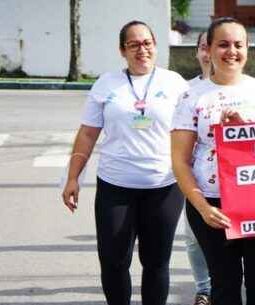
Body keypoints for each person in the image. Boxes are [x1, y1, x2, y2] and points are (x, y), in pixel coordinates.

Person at [61, 20, 188, 305]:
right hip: (115, 187)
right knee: (114, 261)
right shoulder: (106, 84)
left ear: (155, 46)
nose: (141, 49)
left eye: (147, 43)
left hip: (164, 186)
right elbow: (88, 133)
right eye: (133, 44)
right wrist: (73, 178)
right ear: (122, 50)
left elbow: (193, 131)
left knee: (156, 262)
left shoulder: (175, 83)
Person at [171, 17, 255, 305]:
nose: (231, 51)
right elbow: (180, 161)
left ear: (248, 48)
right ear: (208, 49)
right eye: (223, 44)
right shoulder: (191, 96)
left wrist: (246, 132)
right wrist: (203, 207)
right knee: (224, 286)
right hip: (212, 205)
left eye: (238, 45)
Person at [183, 30, 213, 305]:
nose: (208, 53)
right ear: (197, 52)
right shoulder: (186, 90)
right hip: (195, 177)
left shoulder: (247, 88)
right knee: (192, 237)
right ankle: (204, 289)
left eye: (211, 47)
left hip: (234, 181)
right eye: (203, 47)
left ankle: (225, 286)